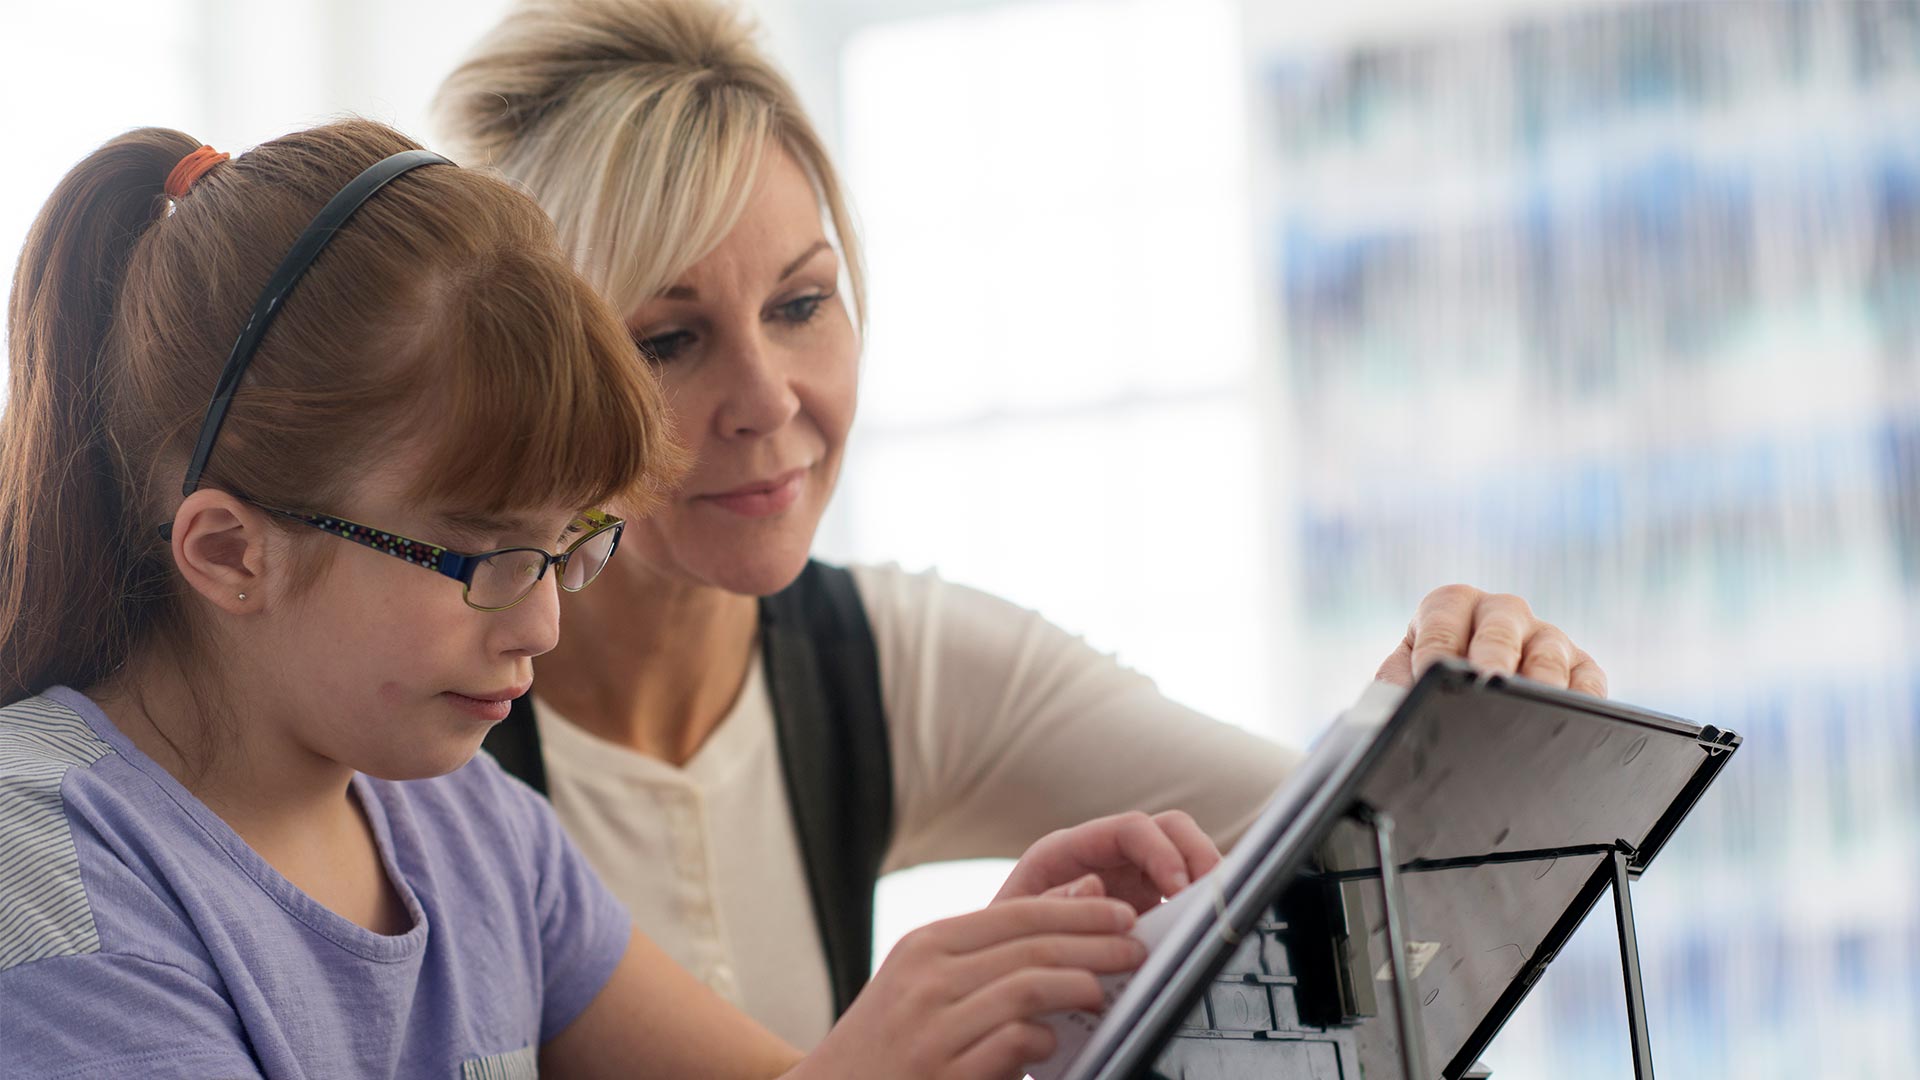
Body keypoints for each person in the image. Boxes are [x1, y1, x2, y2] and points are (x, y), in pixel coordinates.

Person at [430, 0, 1612, 1050]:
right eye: (666, 340)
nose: (769, 399)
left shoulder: (885, 666)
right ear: (545, 379)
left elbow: (1372, 871)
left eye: (802, 303)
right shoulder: (421, 734)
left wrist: (1454, 719)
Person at [0, 119, 1226, 1079]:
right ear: (229, 554)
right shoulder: (40, 862)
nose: (539, 623)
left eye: (572, 546)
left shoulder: (474, 830)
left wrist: (977, 1004)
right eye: (484, 558)